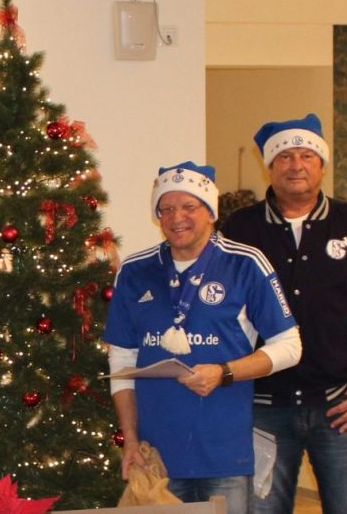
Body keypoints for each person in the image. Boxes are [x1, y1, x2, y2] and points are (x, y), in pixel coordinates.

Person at [221, 113, 347, 514]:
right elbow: (222, 313)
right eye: (285, 157)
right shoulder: (239, 230)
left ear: (322, 165)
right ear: (269, 167)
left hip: (343, 405)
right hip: (263, 408)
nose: (296, 165)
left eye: (306, 155)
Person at [104, 162, 303, 512]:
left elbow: (290, 347)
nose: (176, 217)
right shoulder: (135, 271)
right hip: (156, 458)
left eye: (189, 206)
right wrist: (130, 439)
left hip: (224, 455)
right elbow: (122, 359)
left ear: (210, 212)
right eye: (166, 209)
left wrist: (224, 372)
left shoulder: (246, 264)